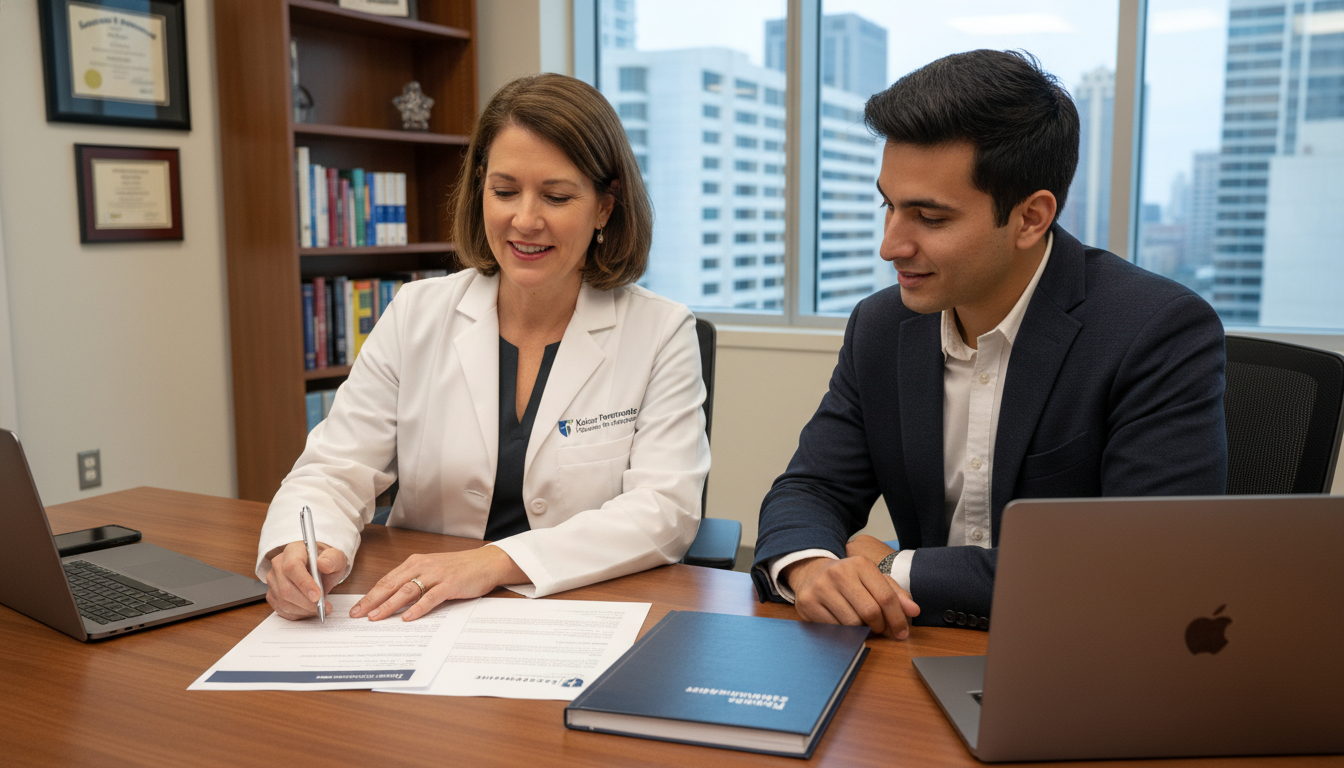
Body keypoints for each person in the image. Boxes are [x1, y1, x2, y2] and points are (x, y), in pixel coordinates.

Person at [751, 50, 1227, 640]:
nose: (890, 246)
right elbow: (812, 489)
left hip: (1079, 661)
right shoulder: (880, 326)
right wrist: (812, 567)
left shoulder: (1155, 330)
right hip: (918, 651)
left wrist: (889, 565)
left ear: (1031, 218)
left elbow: (1145, 568)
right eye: (888, 205)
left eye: (929, 217)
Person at [256, 73, 710, 622]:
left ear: (605, 208)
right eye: (504, 190)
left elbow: (665, 511)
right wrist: (301, 549)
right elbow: (336, 467)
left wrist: (494, 561)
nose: (525, 219)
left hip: (577, 610)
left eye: (557, 196)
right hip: (418, 612)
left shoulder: (661, 332)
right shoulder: (416, 313)